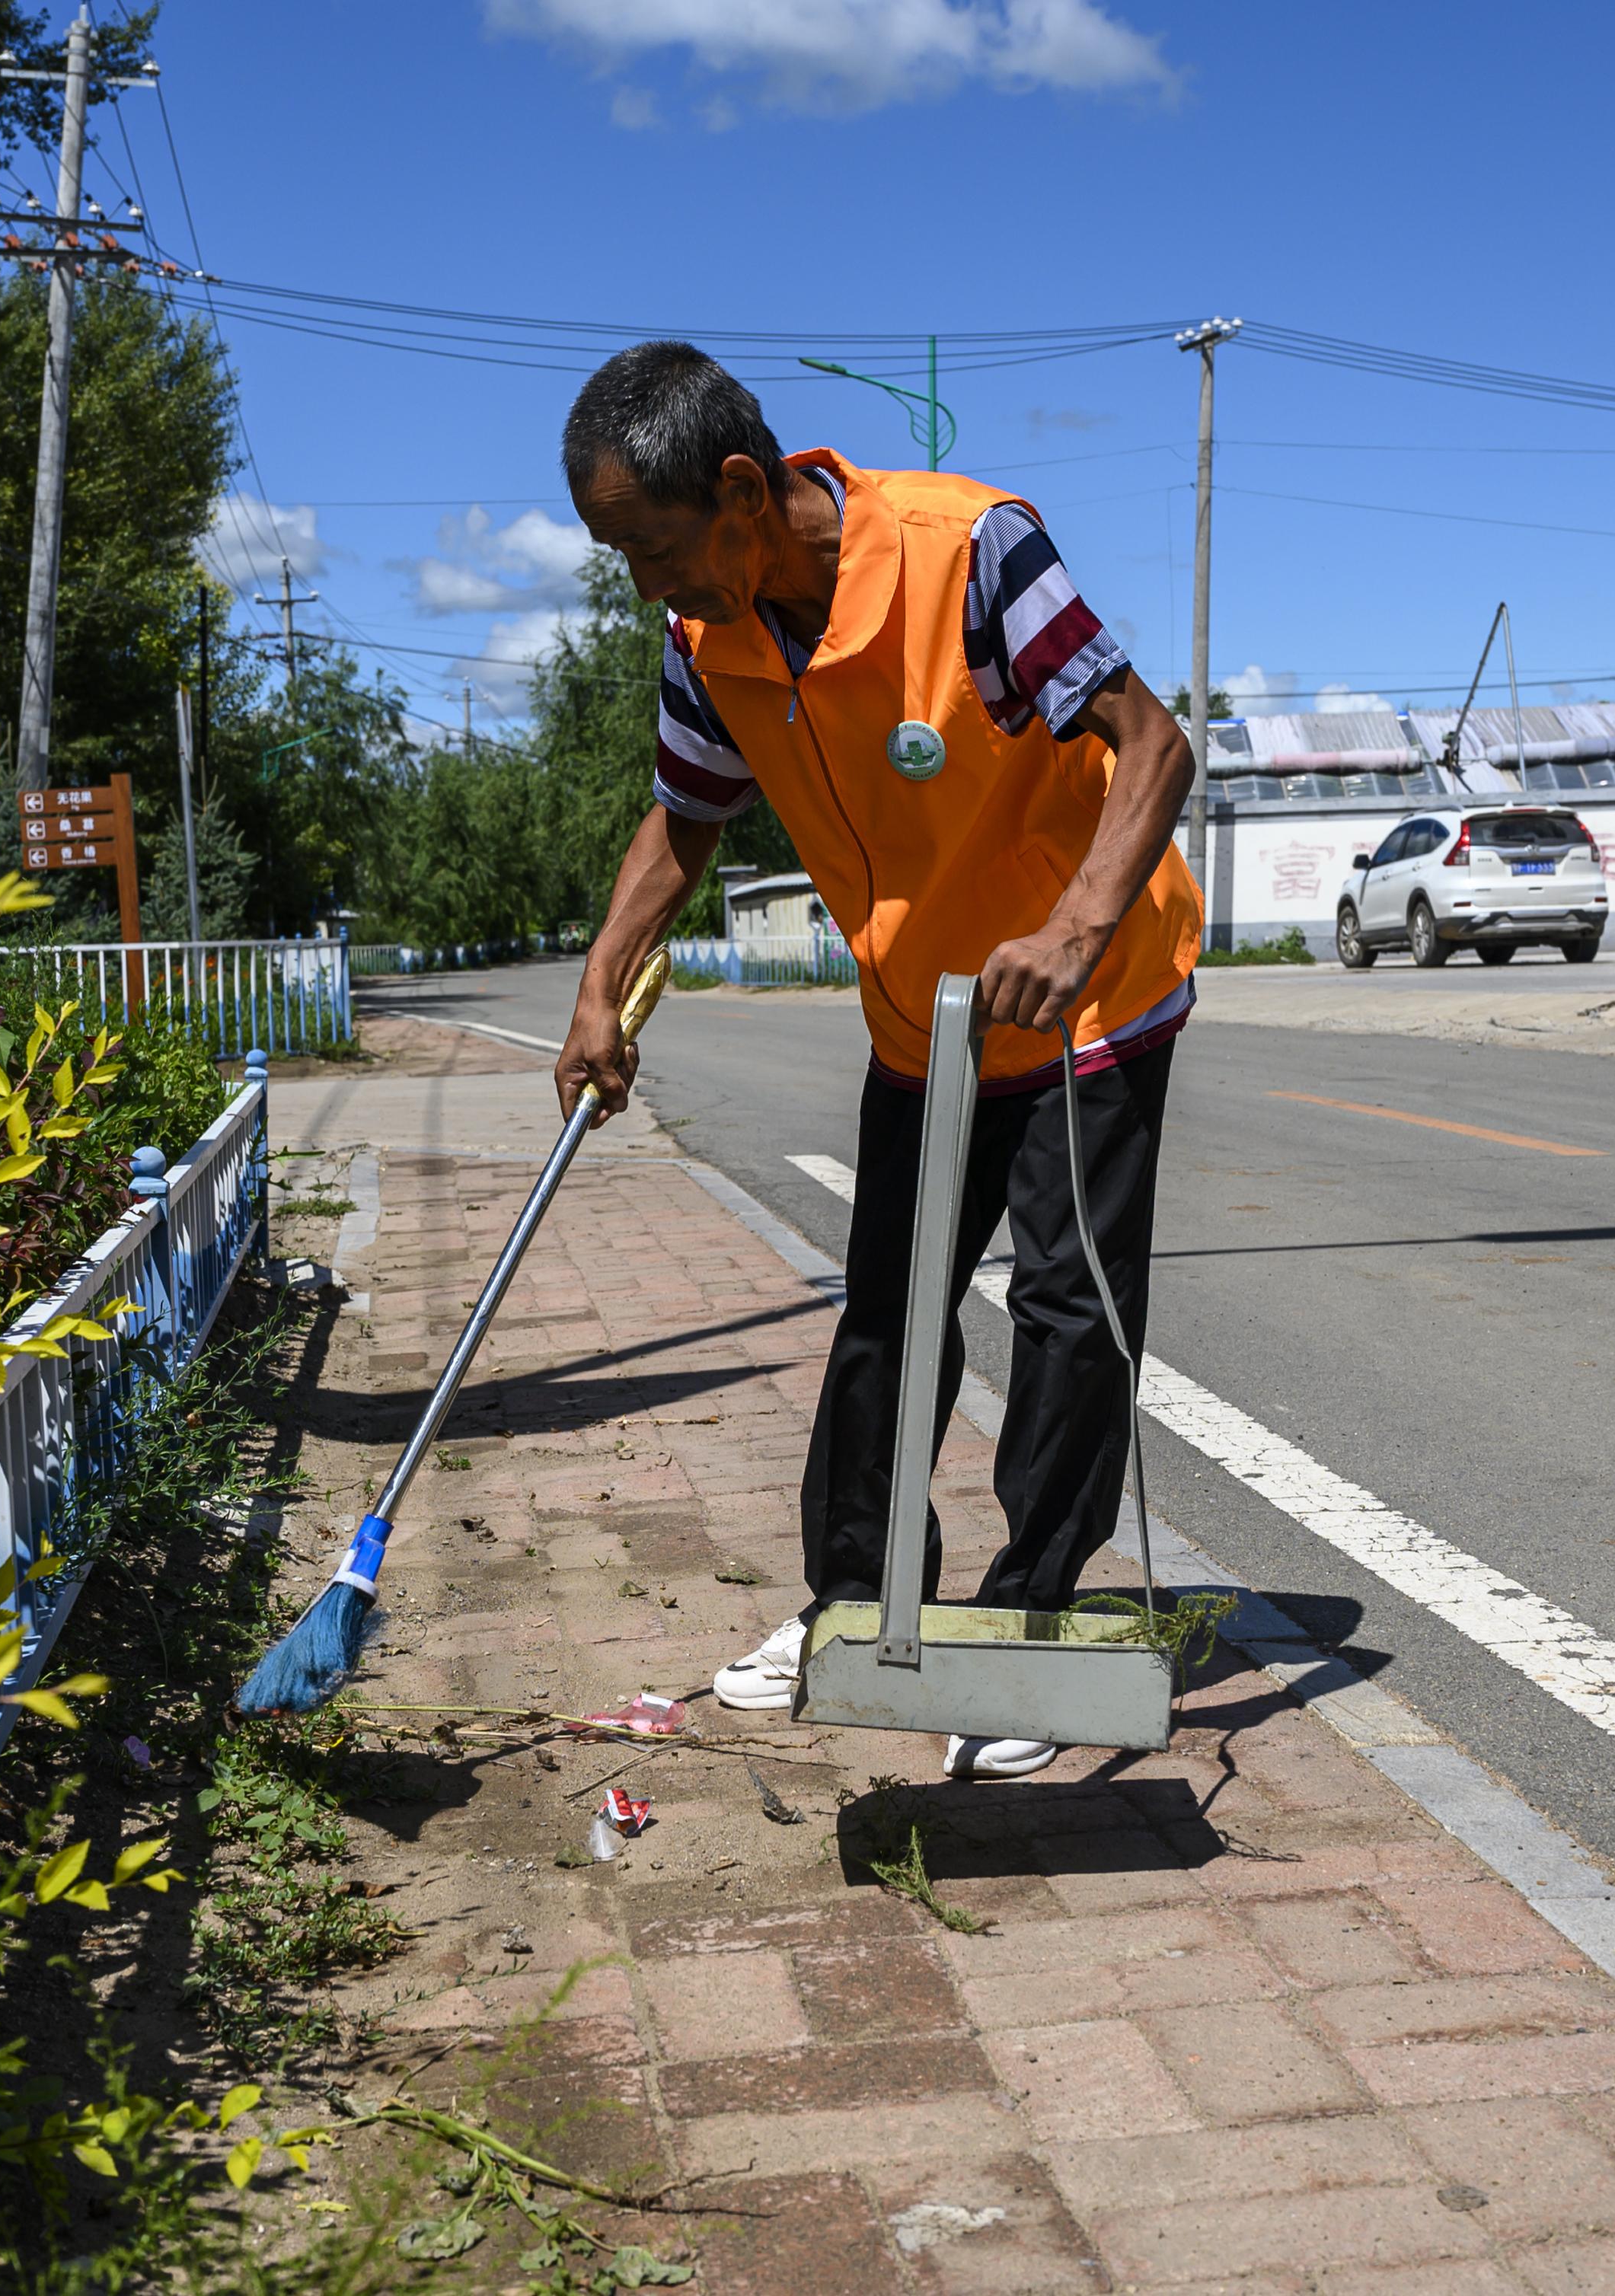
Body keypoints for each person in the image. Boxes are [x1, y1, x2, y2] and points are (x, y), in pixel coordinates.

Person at [551, 342, 1201, 1781]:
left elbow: (1152, 743)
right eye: (622, 561)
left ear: (738, 488)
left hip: (1087, 994)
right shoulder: (706, 640)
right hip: (926, 1009)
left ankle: (1027, 1634)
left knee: (1062, 1305)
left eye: (653, 550)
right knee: (888, 1314)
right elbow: (685, 818)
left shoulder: (968, 552)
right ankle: (853, 1608)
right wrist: (602, 988)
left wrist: (1083, 919)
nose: (648, 587)